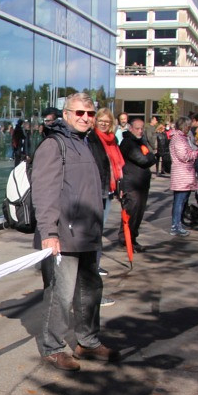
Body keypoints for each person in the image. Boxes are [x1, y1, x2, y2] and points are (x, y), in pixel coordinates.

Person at [31, 92, 117, 372]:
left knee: (90, 292)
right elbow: (44, 193)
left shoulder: (87, 143)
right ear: (66, 114)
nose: (85, 118)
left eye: (90, 114)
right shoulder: (53, 145)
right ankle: (52, 347)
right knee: (61, 294)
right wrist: (49, 232)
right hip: (63, 236)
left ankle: (88, 342)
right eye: (79, 113)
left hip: (88, 234)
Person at [89, 108, 120, 289]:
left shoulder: (112, 140)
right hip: (97, 190)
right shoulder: (93, 139)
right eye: (101, 120)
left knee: (99, 229)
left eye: (107, 122)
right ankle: (92, 265)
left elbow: (116, 165)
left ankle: (96, 263)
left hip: (109, 189)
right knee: (94, 230)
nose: (104, 124)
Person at [118, 118, 156, 252]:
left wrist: (151, 156)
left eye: (142, 129)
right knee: (131, 214)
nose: (140, 131)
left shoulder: (140, 142)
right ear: (131, 128)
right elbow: (144, 160)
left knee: (138, 215)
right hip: (132, 184)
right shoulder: (129, 142)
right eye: (137, 128)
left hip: (141, 184)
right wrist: (152, 157)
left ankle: (132, 239)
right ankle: (126, 240)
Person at [168, 116, 198, 236]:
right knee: (179, 201)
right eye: (188, 126)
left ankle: (178, 223)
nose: (189, 129)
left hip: (184, 173)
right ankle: (176, 225)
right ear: (184, 126)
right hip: (182, 173)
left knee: (182, 200)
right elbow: (184, 156)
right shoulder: (179, 139)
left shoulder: (181, 138)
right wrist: (197, 152)